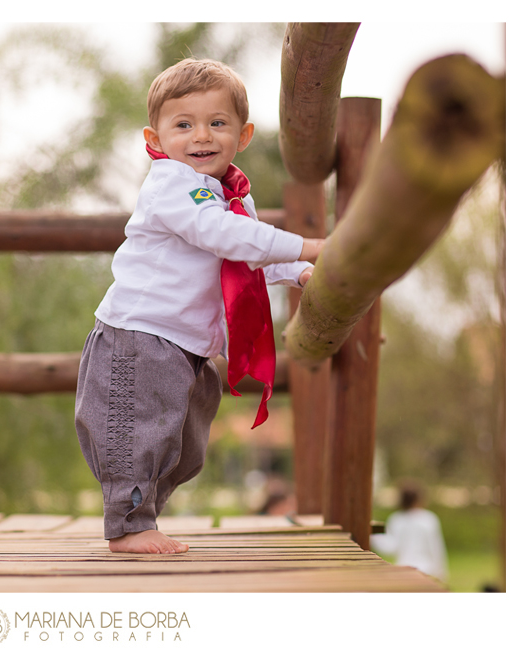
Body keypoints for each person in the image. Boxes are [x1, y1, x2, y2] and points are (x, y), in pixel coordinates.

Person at [74, 58, 324, 554]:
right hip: (141, 335)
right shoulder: (172, 185)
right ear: (156, 137)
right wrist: (309, 247)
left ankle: (143, 513)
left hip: (187, 345)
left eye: (217, 123)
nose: (200, 136)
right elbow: (223, 235)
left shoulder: (230, 196)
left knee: (184, 446)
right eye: (183, 124)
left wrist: (296, 270)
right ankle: (127, 524)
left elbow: (245, 255)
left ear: (244, 133)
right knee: (137, 428)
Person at [370, 481, 449, 582]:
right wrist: (441, 572)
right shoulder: (428, 519)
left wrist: (374, 535)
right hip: (426, 571)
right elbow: (436, 548)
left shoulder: (397, 519)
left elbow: (390, 548)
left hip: (404, 571)